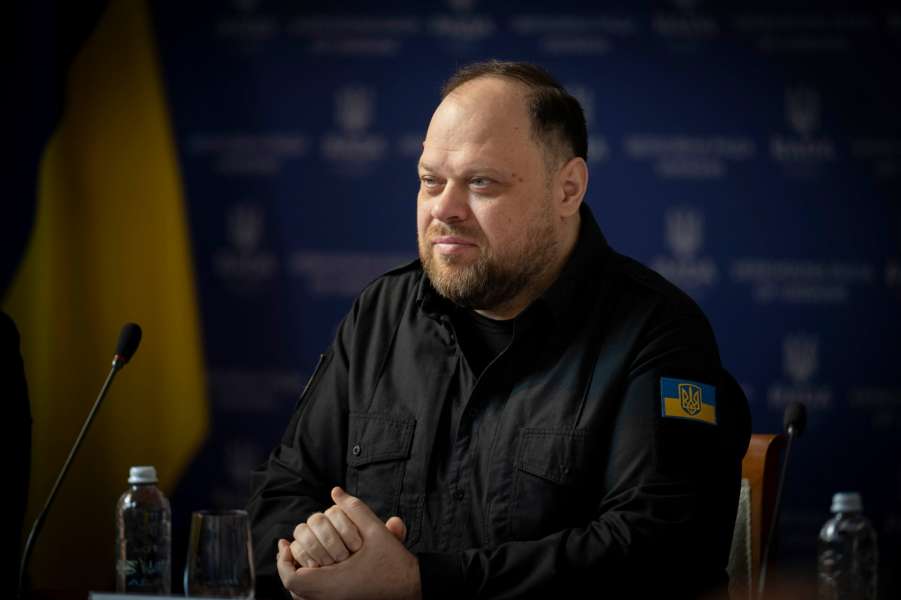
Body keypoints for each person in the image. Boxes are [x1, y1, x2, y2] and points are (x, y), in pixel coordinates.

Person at [248, 60, 751, 600]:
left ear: (568, 189)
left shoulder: (660, 334)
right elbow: (280, 497)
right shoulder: (381, 313)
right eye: (430, 181)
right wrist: (316, 547)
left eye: (481, 183)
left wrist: (421, 584)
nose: (444, 209)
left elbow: (660, 553)